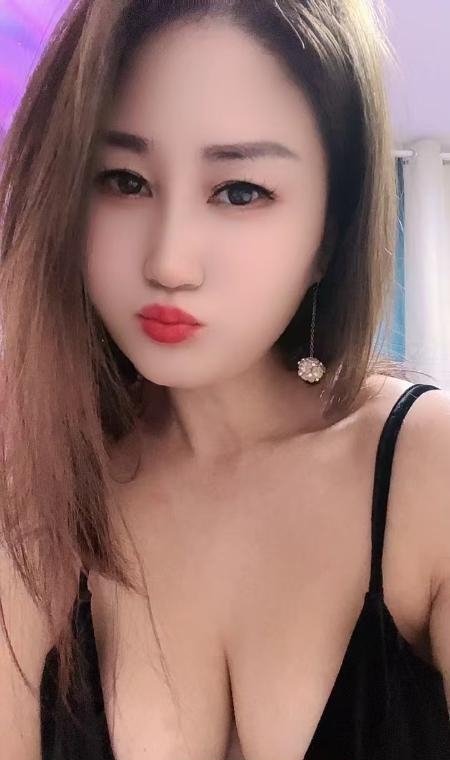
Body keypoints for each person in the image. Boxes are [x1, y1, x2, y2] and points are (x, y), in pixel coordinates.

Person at [0, 0, 449, 758]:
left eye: (240, 191)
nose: (169, 261)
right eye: (124, 180)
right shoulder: (39, 516)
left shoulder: (427, 474)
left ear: (330, 230)